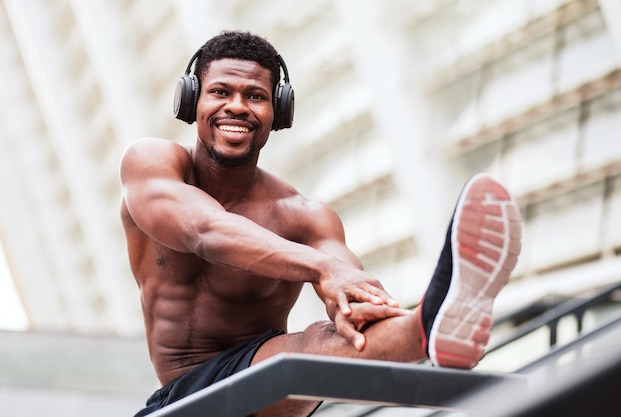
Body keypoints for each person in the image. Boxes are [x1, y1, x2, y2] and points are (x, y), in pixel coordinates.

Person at [119, 30, 522, 417]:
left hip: (263, 381)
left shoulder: (304, 216)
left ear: (278, 113)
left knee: (325, 337)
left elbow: (349, 288)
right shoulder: (153, 164)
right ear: (191, 101)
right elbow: (203, 230)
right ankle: (432, 325)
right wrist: (322, 268)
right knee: (302, 350)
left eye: (256, 96)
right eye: (221, 92)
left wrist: (351, 303)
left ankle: (432, 323)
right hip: (180, 397)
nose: (238, 107)